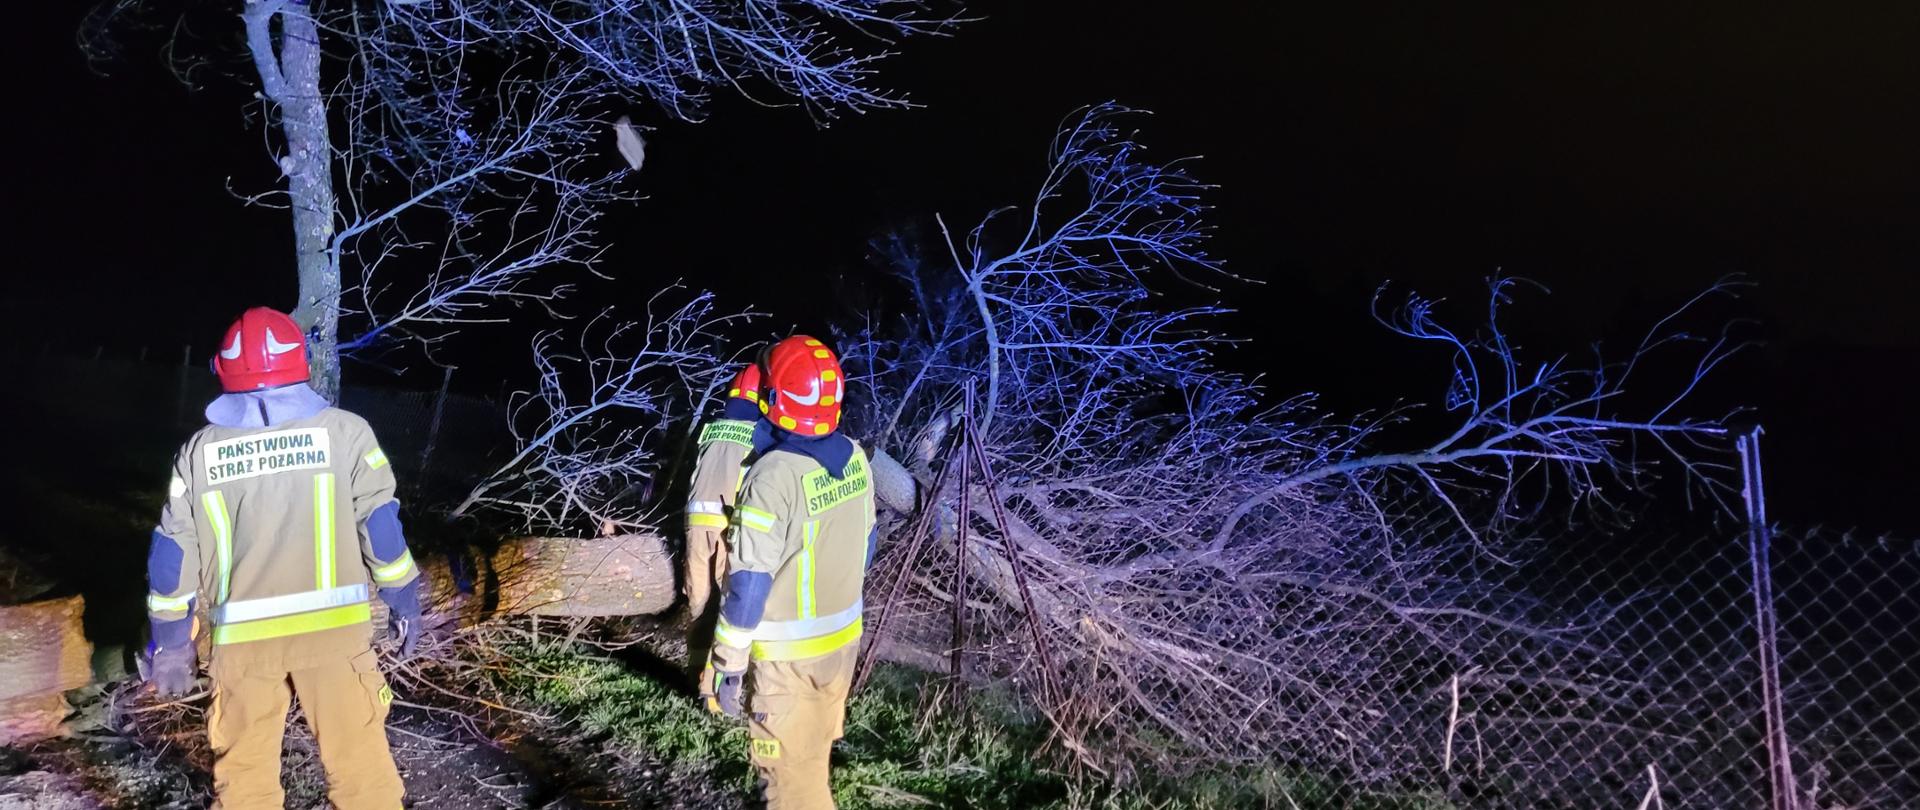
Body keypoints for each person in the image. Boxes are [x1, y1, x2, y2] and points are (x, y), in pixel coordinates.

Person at [144, 307, 421, 810]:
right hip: (334, 636)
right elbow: (380, 529)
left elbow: (171, 556)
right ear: (301, 364)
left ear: (222, 369)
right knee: (363, 774)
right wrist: (404, 599)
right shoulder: (347, 433)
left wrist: (170, 645)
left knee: (245, 783)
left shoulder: (199, 452)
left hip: (242, 644)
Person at [709, 335, 876, 810]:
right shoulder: (855, 457)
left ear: (776, 400)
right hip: (840, 648)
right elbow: (867, 546)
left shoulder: (772, 476)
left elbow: (748, 585)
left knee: (787, 787)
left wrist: (730, 665)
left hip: (788, 664)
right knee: (810, 767)